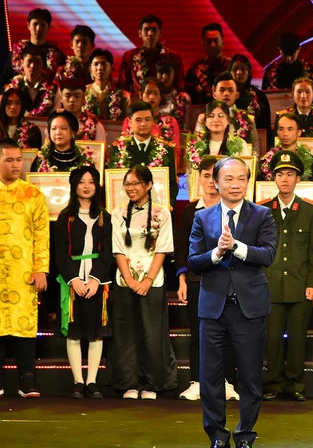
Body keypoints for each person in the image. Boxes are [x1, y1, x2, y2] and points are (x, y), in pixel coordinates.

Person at [187, 157, 277, 448]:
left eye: (240, 178)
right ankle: (217, 438)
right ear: (216, 182)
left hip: (249, 309)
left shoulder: (263, 215)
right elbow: (193, 261)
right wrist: (217, 252)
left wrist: (236, 246)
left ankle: (245, 437)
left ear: (247, 181)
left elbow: (268, 255)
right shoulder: (203, 217)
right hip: (213, 309)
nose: (235, 184)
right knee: (210, 378)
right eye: (228, 179)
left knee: (250, 378)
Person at [110, 164, 177, 400]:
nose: (130, 188)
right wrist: (129, 278)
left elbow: (163, 248)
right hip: (124, 281)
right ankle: (129, 382)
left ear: (148, 185)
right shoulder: (118, 213)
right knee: (126, 333)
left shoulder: (162, 213)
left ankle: (152, 384)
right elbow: (117, 248)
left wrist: (147, 279)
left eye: (135, 184)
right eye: (127, 184)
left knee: (152, 334)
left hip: (153, 281)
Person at [260, 151, 313, 401]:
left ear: (298, 179)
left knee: (297, 338)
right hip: (271, 285)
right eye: (280, 174)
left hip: (299, 285)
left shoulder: (310, 210)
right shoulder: (262, 210)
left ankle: (296, 383)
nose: (285, 179)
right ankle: (274, 383)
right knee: (273, 338)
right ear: (273, 178)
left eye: (290, 174)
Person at [175, 156, 238, 402]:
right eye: (206, 175)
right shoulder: (190, 210)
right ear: (199, 179)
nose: (211, 182)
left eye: (216, 176)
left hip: (228, 279)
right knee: (198, 331)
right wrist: (181, 279)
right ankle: (198, 381)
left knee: (229, 331)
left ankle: (227, 381)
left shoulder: (233, 208)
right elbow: (181, 247)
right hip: (196, 280)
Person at [52, 166, 112, 399]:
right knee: (74, 332)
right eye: (82, 181)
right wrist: (74, 278)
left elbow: (108, 252)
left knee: (96, 331)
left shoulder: (105, 217)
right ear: (74, 185)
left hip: (98, 281)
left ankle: (93, 381)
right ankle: (78, 381)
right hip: (73, 281)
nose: (87, 186)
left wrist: (96, 279)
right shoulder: (64, 217)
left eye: (91, 182)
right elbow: (60, 253)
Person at [0, 138, 49, 397]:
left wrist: (41, 268)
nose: (16, 165)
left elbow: (42, 234)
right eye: (9, 160)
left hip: (23, 271)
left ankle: (26, 379)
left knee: (25, 325)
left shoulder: (33, 195)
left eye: (19, 159)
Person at [109, 101, 178, 206]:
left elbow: (172, 184)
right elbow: (112, 184)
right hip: (126, 209)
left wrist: (168, 205)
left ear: (153, 122)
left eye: (147, 119)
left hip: (157, 209)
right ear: (130, 122)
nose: (143, 124)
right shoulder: (118, 149)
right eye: (138, 120)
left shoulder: (166, 149)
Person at [119, 15, 184, 95]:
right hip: (139, 104)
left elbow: (180, 86)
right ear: (140, 33)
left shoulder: (173, 57)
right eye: (146, 30)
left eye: (154, 30)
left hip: (167, 103)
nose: (150, 33)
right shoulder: (129, 56)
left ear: (161, 33)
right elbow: (122, 88)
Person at [194, 73, 259, 152]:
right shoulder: (203, 118)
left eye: (231, 90)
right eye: (222, 90)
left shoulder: (247, 119)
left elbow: (255, 152)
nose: (226, 94)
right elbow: (197, 148)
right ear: (214, 94)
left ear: (237, 95)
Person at [258, 112, 313, 186]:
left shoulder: (312, 162)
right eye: (281, 129)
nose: (285, 133)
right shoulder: (266, 162)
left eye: (290, 129)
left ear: (299, 132)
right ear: (277, 131)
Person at [2, 8, 65, 85]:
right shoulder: (17, 53)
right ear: (28, 25)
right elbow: (5, 80)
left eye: (43, 25)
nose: (38, 29)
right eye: (35, 24)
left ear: (48, 27)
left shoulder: (58, 56)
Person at [185, 100, 251, 174]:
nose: (216, 119)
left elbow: (246, 174)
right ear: (205, 122)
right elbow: (191, 176)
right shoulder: (196, 147)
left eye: (220, 115)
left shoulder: (240, 145)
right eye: (211, 116)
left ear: (228, 120)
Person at [5, 44, 59, 117]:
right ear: (22, 63)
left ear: (43, 65)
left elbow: (55, 115)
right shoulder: (13, 87)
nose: (32, 66)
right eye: (29, 61)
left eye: (37, 63)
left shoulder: (53, 89)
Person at [185, 23, 231, 105]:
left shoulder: (232, 68)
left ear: (223, 41)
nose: (212, 45)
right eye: (209, 41)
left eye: (216, 40)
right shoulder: (194, 71)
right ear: (203, 43)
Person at [84, 49, 130, 121]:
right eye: (96, 64)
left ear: (112, 67)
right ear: (90, 69)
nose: (100, 68)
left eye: (103, 64)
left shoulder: (123, 95)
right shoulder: (84, 93)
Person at [230, 54, 271, 132]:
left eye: (243, 69)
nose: (239, 72)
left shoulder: (259, 96)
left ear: (249, 71)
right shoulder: (226, 96)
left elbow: (265, 126)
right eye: (235, 69)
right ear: (230, 71)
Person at [156, 55, 192, 128]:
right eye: (161, 72)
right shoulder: (151, 97)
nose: (164, 77)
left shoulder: (183, 98)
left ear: (174, 74)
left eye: (168, 72)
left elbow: (186, 128)